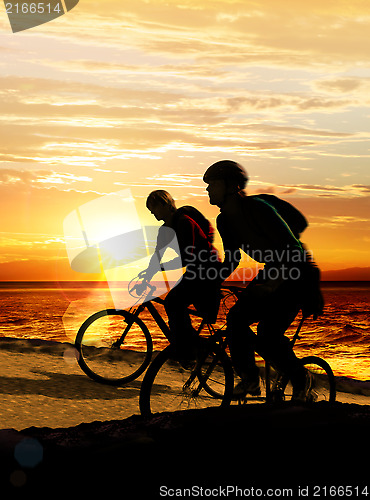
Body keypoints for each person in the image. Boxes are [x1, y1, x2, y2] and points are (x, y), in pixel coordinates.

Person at [203, 160, 324, 400]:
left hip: (296, 273)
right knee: (235, 319)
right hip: (271, 269)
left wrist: (271, 285)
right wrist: (210, 281)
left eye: (212, 184)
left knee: (268, 334)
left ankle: (302, 379)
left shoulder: (258, 209)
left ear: (231, 186)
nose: (207, 189)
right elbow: (232, 259)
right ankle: (250, 378)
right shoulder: (224, 220)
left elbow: (292, 251)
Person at [140, 190, 222, 362]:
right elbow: (158, 255)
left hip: (208, 269)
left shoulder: (185, 222)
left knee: (173, 302)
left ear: (164, 204)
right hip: (195, 270)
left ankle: (192, 347)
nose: (152, 212)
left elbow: (186, 257)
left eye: (153, 208)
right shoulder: (164, 230)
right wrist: (148, 275)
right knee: (174, 304)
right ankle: (187, 348)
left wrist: (161, 268)